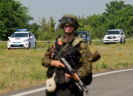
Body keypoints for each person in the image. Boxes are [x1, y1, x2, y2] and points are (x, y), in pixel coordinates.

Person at [42, 14, 96, 96]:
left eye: (70, 26)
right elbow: (44, 61)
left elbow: (88, 65)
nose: (68, 28)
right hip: (55, 85)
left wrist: (74, 75)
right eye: (65, 26)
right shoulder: (57, 43)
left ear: (74, 27)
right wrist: (54, 63)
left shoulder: (80, 44)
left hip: (72, 87)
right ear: (62, 27)